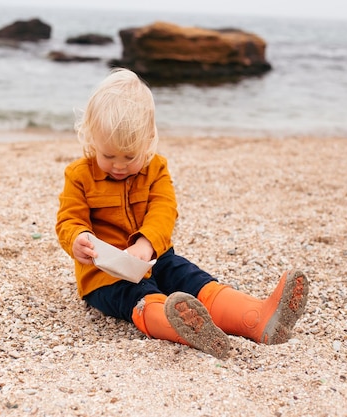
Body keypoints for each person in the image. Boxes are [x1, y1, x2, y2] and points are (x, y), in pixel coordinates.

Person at [55, 68, 308, 359]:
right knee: (138, 297)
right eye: (108, 156)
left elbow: (164, 209)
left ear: (149, 139)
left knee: (195, 281)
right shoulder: (79, 175)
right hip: (104, 275)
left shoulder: (156, 168)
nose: (119, 165)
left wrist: (146, 243)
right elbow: (68, 219)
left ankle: (257, 317)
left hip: (156, 257)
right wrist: (78, 239)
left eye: (130, 156)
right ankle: (184, 329)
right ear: (92, 140)